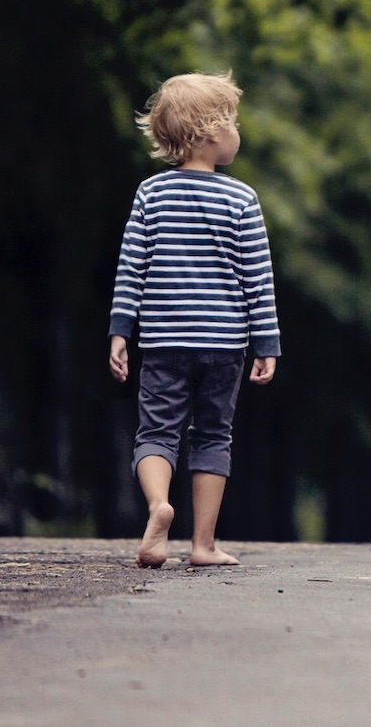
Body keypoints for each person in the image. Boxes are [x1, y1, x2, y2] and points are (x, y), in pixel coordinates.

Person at [107, 71, 280, 568]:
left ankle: (159, 506)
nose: (238, 133)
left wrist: (121, 331)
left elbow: (131, 266)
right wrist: (266, 342)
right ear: (211, 131)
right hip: (224, 343)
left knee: (156, 433)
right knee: (212, 436)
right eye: (234, 122)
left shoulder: (150, 195)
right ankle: (202, 545)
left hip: (163, 339)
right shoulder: (241, 199)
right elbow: (258, 280)